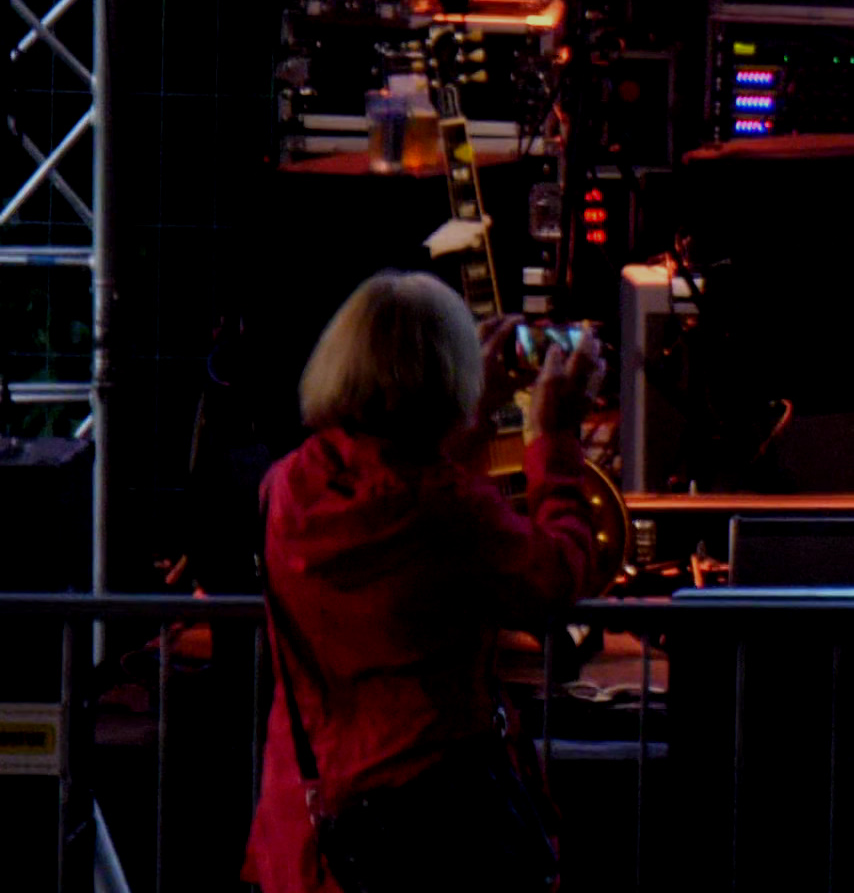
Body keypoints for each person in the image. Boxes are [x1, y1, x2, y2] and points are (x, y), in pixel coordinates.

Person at [250, 273, 607, 893]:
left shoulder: (286, 486)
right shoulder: (448, 510)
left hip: (313, 832)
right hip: (434, 824)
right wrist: (554, 439)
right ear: (446, 375)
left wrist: (470, 423)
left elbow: (396, 495)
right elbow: (558, 572)